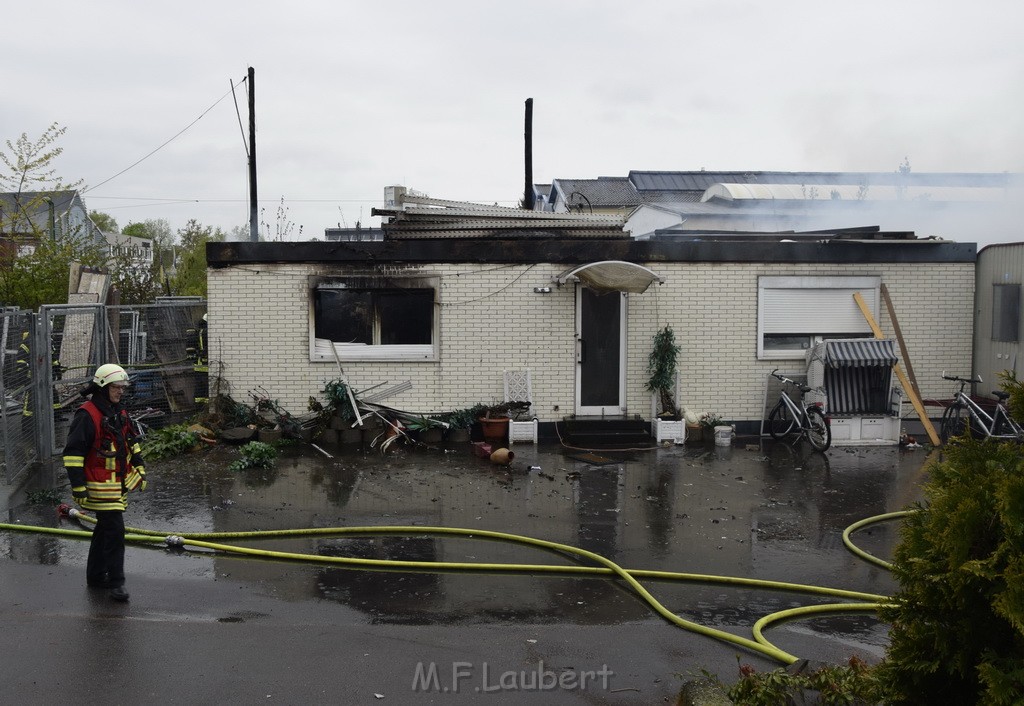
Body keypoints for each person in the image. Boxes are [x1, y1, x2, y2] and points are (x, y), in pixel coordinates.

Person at [62, 363, 147, 602]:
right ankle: (117, 584)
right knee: (115, 530)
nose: (121, 391)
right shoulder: (86, 415)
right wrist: (78, 486)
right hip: (99, 486)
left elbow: (132, 440)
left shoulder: (118, 411)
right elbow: (73, 453)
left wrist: (139, 466)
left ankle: (96, 576)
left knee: (103, 529)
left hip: (116, 485)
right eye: (117, 387)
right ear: (102, 387)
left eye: (123, 387)